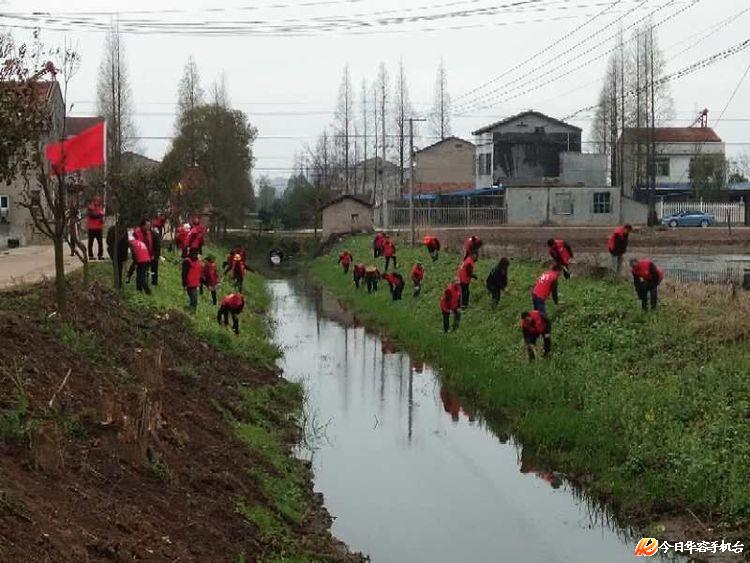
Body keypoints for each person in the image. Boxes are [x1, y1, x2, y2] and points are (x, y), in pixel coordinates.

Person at [127, 220, 154, 284]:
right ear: (143, 225)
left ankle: (145, 280)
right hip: (138, 252)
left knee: (146, 267)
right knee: (136, 265)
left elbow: (150, 243)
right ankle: (129, 276)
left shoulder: (149, 233)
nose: (148, 227)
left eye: (149, 225)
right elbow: (133, 243)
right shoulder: (136, 232)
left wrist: (151, 253)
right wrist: (134, 253)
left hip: (146, 253)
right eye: (147, 225)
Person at [106, 224, 129, 288]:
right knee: (120, 269)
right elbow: (126, 243)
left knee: (116, 268)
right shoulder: (124, 230)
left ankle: (117, 283)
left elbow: (108, 241)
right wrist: (125, 257)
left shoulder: (111, 228)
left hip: (113, 252)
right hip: (121, 253)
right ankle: (119, 283)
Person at [86, 196, 105, 260]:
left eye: (99, 201)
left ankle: (100, 255)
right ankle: (91, 256)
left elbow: (101, 217)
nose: (98, 202)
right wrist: (100, 215)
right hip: (92, 228)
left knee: (100, 243)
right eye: (97, 200)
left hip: (98, 227)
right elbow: (93, 216)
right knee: (91, 242)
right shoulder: (90, 207)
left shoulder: (100, 207)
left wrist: (102, 219)